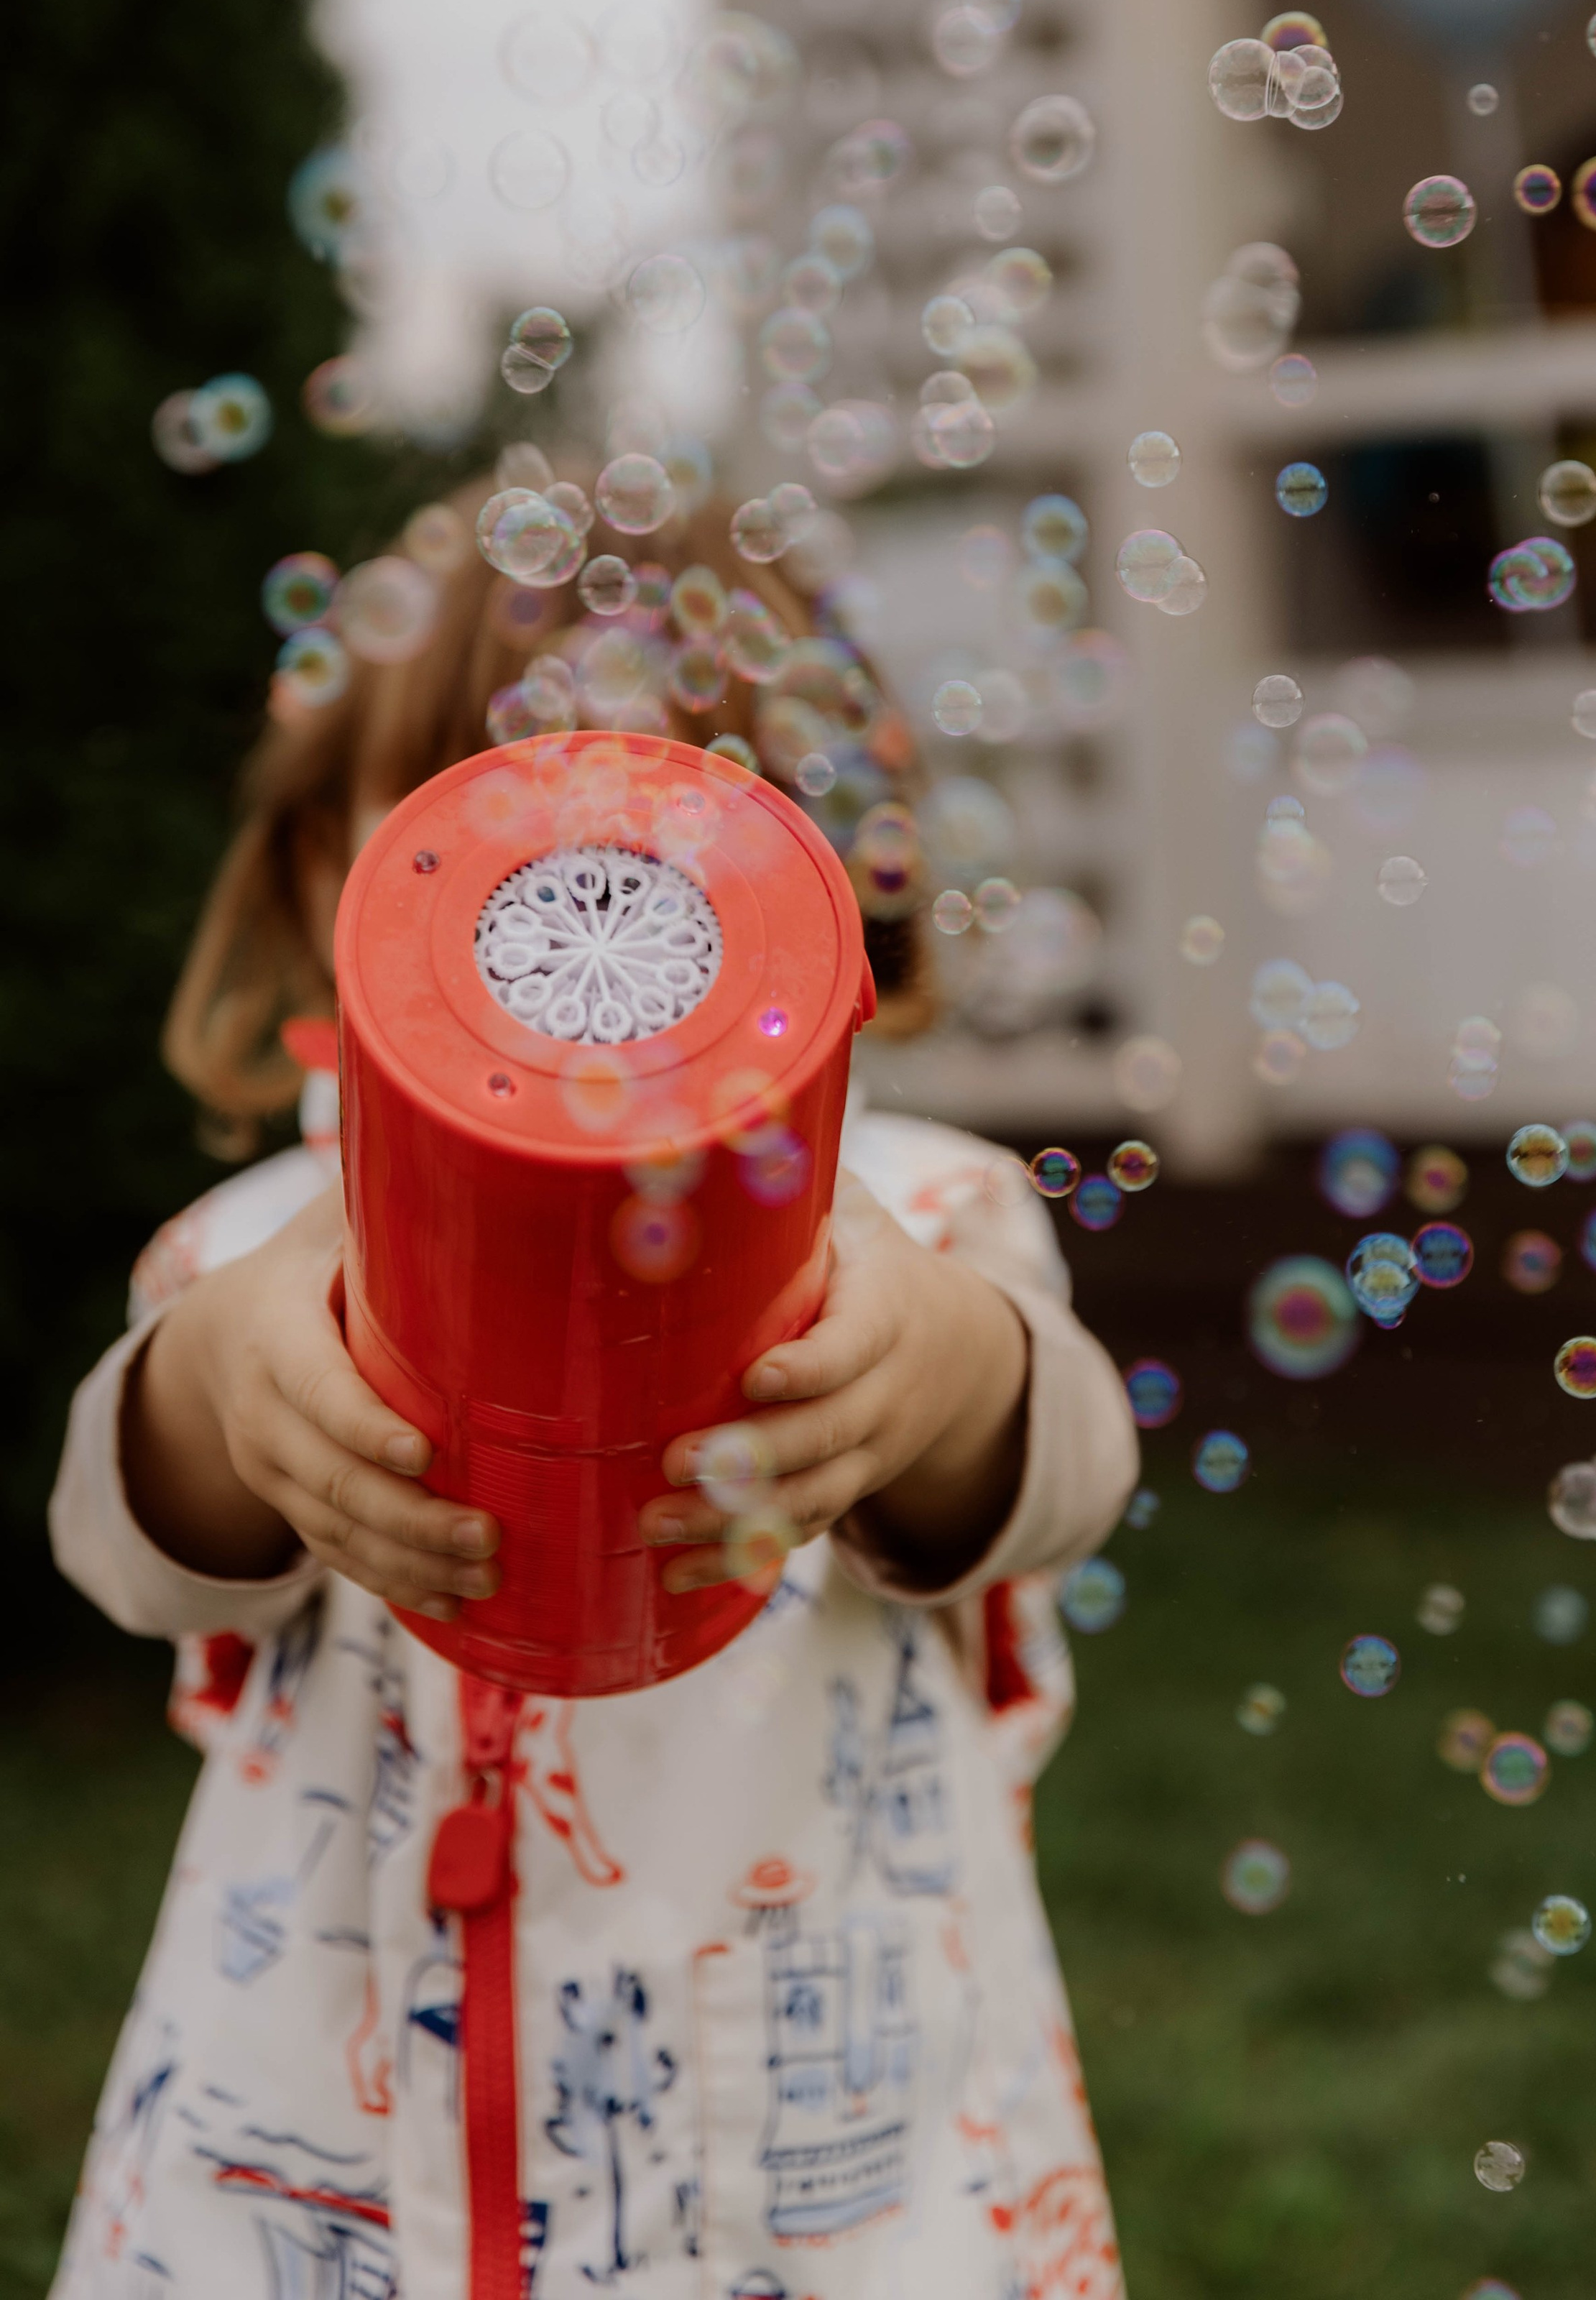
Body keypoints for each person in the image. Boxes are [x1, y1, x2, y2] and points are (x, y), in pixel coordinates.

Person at [48, 475, 1139, 2299]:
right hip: (323, 2194)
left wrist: (952, 1373)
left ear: (823, 890)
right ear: (327, 879)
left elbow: (1074, 1474)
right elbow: (115, 1548)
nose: (577, 902)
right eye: (480, 829)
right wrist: (210, 1392)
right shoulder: (262, 1257)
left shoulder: (909, 1220)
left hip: (806, 2196)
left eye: (670, 839)